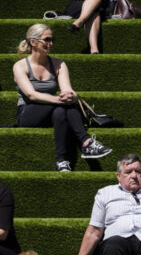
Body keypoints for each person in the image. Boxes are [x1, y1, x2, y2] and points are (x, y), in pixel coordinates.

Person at [13, 23, 112, 172]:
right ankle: (86, 141)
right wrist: (58, 99)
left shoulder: (58, 64)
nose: (50, 43)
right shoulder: (20, 66)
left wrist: (69, 95)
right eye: (46, 40)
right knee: (61, 106)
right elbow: (31, 94)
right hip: (27, 113)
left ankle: (62, 160)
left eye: (52, 39)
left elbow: (68, 90)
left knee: (61, 111)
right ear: (33, 42)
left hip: (52, 110)